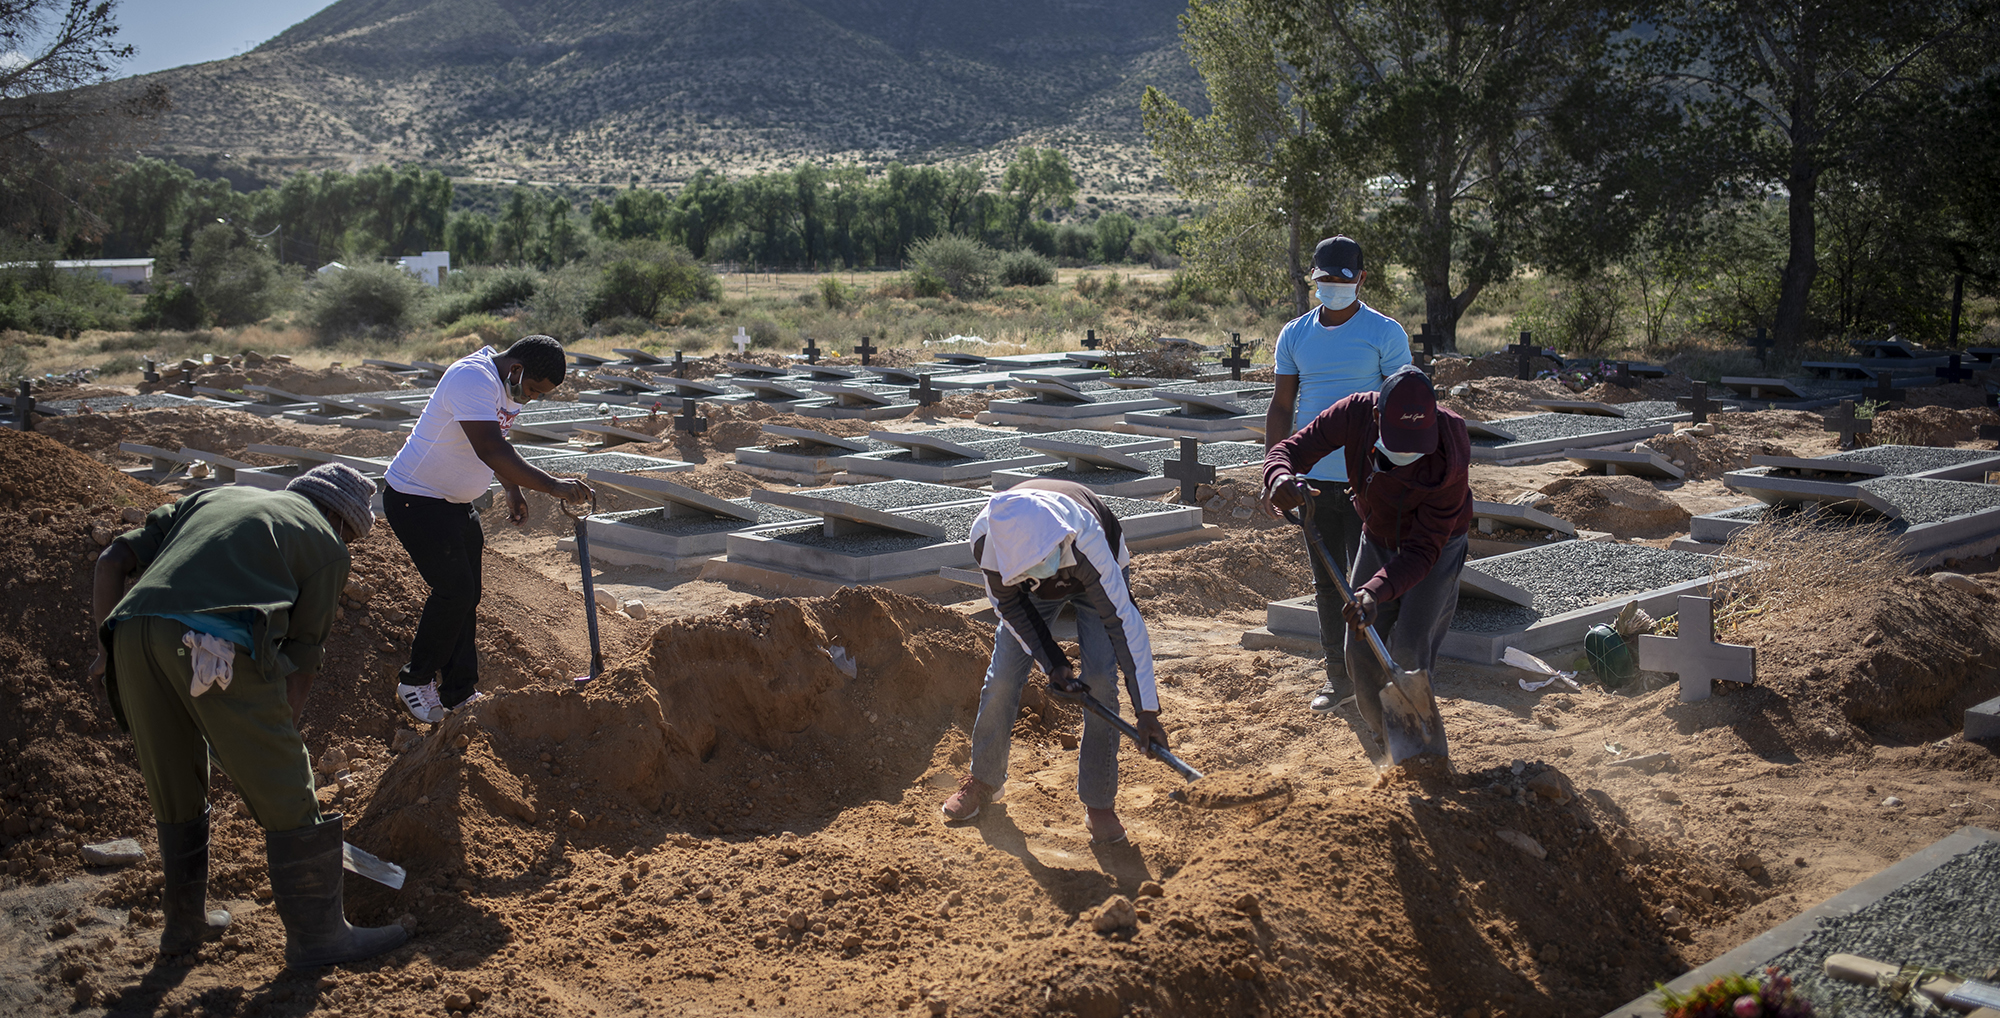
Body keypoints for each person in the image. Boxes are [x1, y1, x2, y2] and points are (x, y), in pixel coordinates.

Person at [87, 464, 409, 967]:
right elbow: (300, 667)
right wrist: (269, 758)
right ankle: (320, 937)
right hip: (209, 648)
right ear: (341, 520)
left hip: (128, 634)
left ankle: (183, 924)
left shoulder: (211, 499)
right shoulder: (326, 544)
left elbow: (111, 560)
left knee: (176, 782)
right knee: (287, 782)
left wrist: (106, 652)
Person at [940, 479, 1169, 845]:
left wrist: (1146, 711)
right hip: (1028, 590)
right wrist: (1054, 664)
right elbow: (1011, 608)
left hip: (1090, 574)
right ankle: (983, 779)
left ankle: (1099, 804)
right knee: (1002, 675)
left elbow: (1123, 624)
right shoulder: (988, 542)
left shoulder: (1086, 537)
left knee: (1099, 678)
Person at [1261, 366, 1471, 762]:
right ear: (1378, 418)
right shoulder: (1355, 413)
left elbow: (1423, 551)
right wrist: (1279, 478)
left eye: (1414, 447)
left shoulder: (1451, 447)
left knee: (1409, 649)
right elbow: (1288, 449)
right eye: (1398, 445)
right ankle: (1389, 742)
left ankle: (1418, 753)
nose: (1406, 457)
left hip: (1434, 548)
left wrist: (1374, 591)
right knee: (1357, 647)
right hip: (1377, 534)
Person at [384, 334, 592, 724]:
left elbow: (497, 441)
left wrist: (511, 487)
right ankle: (415, 679)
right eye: (531, 389)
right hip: (417, 498)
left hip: (454, 503)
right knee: (454, 590)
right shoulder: (471, 378)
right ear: (516, 368)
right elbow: (490, 448)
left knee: (468, 596)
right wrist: (552, 486)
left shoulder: (505, 384)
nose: (530, 399)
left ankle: (459, 692)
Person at [1264, 235, 1414, 713]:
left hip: (1367, 480)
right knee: (1327, 584)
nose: (1332, 289)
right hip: (1311, 482)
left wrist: (1398, 473)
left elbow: (1403, 408)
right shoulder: (1295, 335)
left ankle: (1385, 673)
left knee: (1370, 581)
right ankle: (1339, 678)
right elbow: (1282, 405)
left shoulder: (1385, 334)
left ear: (1360, 280)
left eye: (1341, 280)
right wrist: (1275, 470)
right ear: (1314, 281)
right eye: (1323, 281)